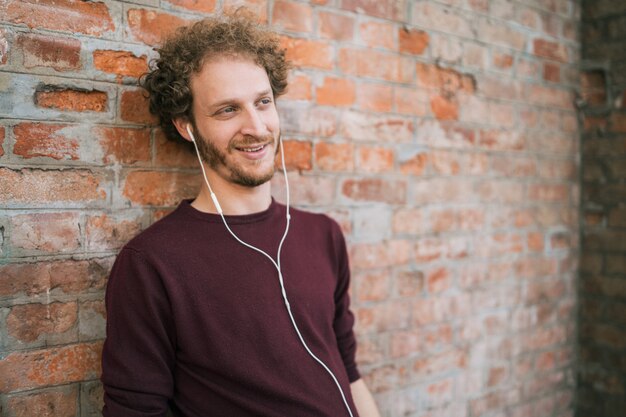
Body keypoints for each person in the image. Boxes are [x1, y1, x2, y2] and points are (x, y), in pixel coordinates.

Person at [100, 11, 381, 417]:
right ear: (187, 126)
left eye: (263, 103)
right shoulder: (152, 264)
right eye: (227, 110)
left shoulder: (324, 235)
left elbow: (350, 376)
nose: (256, 127)